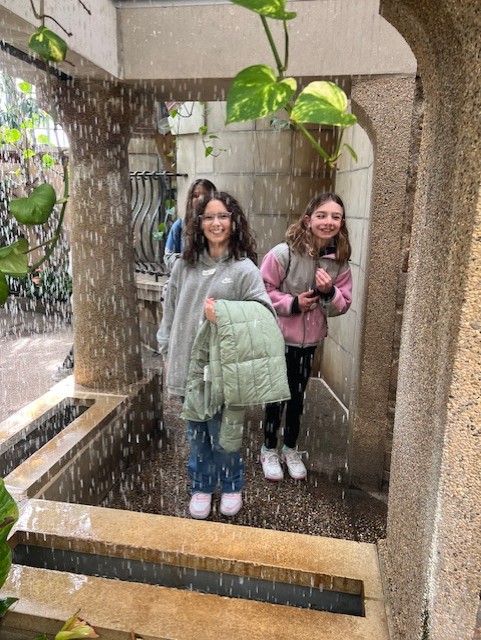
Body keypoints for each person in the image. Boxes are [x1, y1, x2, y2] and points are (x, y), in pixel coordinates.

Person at [157, 191, 275, 520]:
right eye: (208, 217)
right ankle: (202, 486)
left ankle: (232, 485)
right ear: (199, 223)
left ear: (234, 222)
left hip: (225, 370)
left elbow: (265, 314)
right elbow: (170, 311)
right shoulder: (185, 266)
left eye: (222, 216)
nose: (216, 223)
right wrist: (166, 348)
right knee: (196, 435)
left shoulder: (244, 269)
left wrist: (224, 313)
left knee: (224, 435)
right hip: (189, 366)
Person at [259, 192, 353, 481]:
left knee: (297, 396)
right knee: (276, 396)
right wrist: (293, 303)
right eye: (321, 215)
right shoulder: (283, 254)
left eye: (335, 217)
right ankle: (268, 448)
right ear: (308, 219)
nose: (328, 222)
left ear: (341, 222)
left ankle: (290, 448)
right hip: (279, 339)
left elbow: (342, 305)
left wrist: (329, 292)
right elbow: (261, 292)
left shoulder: (339, 261)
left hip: (309, 342)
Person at [163, 178, 216, 272]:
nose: (200, 199)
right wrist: (185, 261)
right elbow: (168, 257)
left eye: (206, 195)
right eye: (195, 196)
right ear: (190, 200)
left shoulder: (220, 226)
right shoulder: (180, 226)